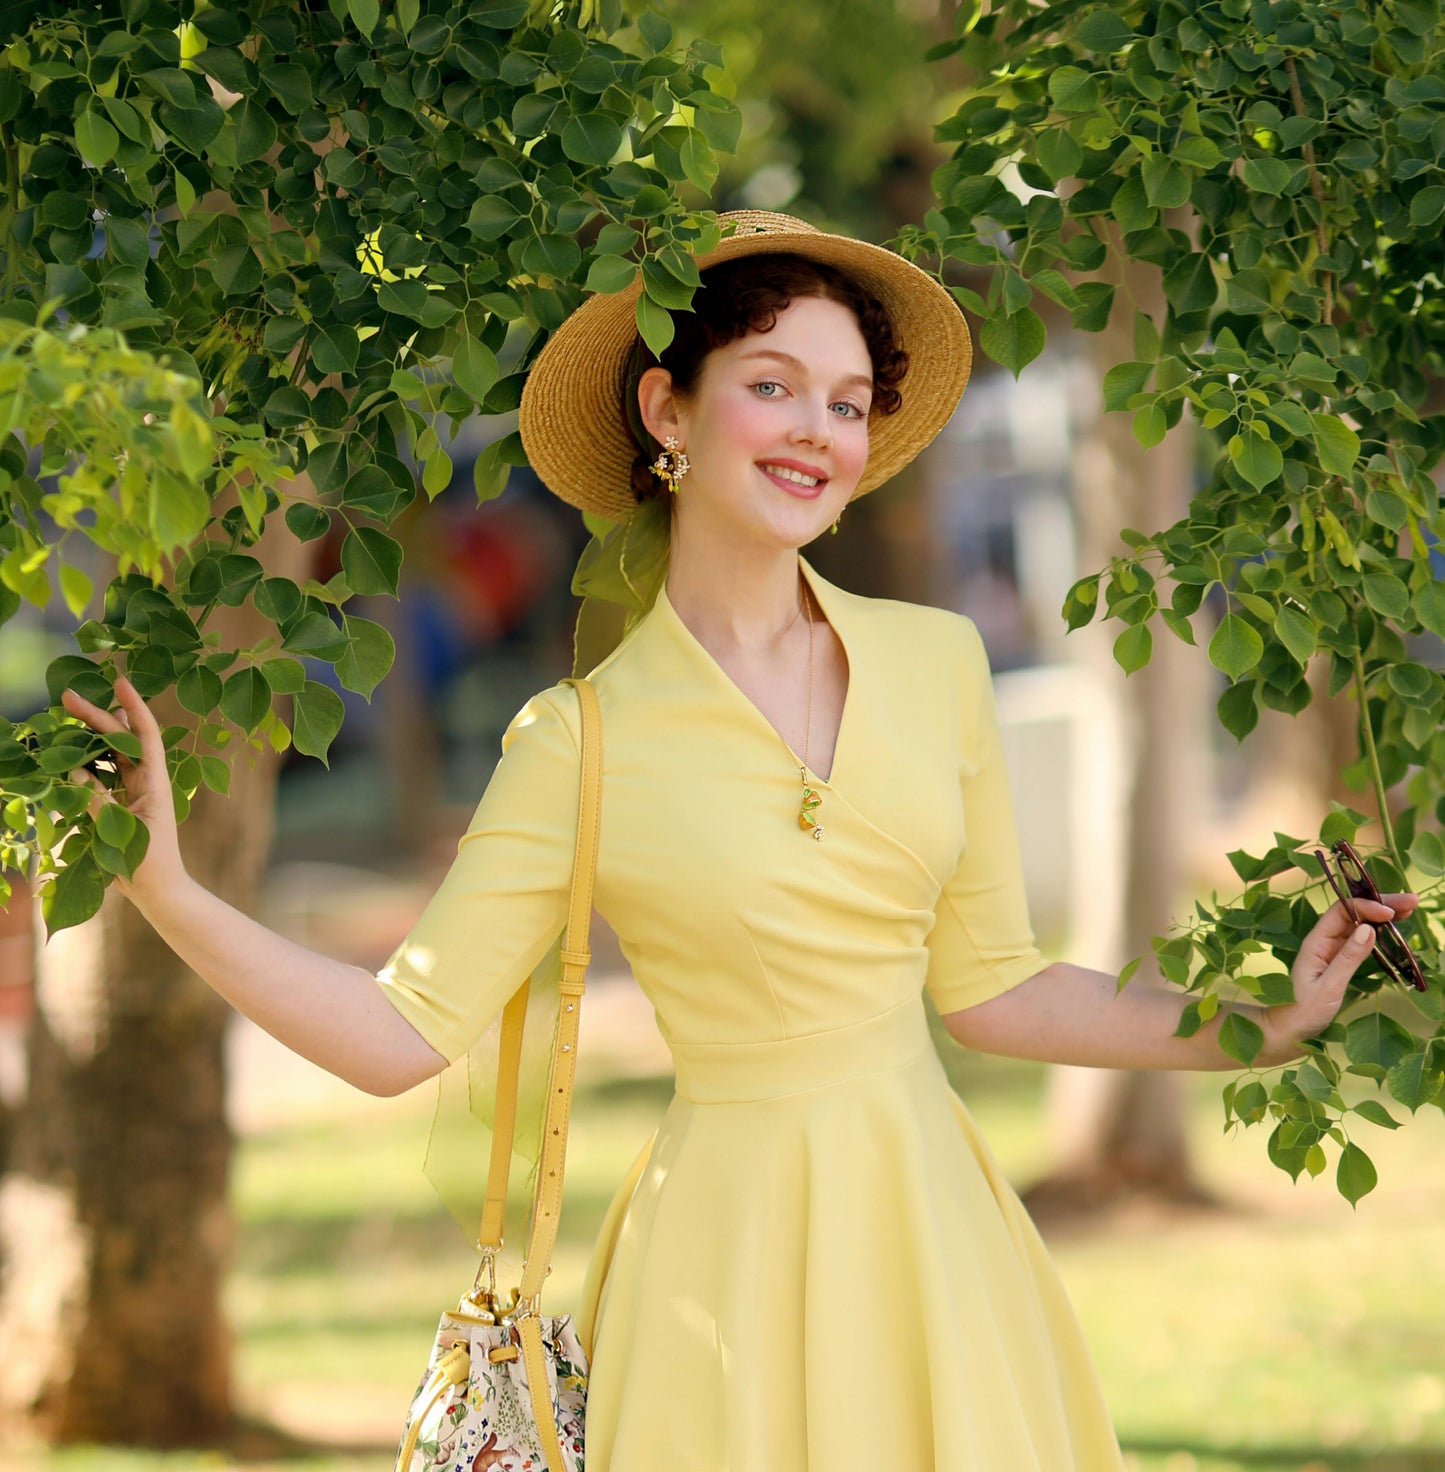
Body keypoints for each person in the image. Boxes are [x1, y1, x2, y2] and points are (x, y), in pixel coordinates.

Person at [62, 210, 1415, 1470]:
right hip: (721, 1268)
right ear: (669, 407)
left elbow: (996, 989)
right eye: (770, 384)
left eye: (845, 403)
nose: (815, 432)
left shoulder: (937, 662)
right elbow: (398, 1036)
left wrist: (1259, 1018)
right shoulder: (578, 740)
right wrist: (170, 891)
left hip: (936, 1243)